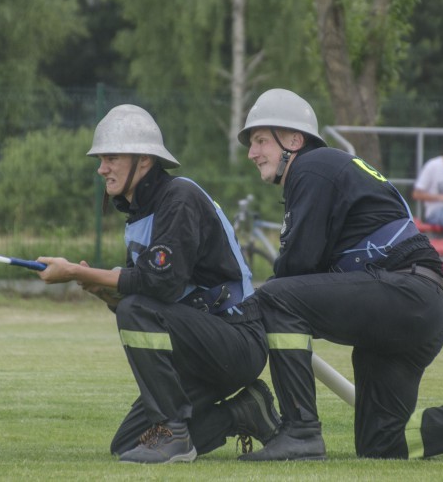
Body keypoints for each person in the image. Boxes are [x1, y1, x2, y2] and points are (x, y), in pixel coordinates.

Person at [236, 89, 443, 461]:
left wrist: (238, 314)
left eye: (261, 140)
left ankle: (300, 432)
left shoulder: (312, 168)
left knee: (274, 298)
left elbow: (295, 269)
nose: (252, 152)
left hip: (406, 293)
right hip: (419, 304)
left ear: (294, 140)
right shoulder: (330, 169)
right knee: (381, 446)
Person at [36, 104, 281, 464]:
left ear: (144, 161)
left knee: (136, 309)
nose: (102, 168)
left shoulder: (178, 198)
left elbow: (159, 285)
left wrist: (79, 273)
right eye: (101, 159)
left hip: (235, 340)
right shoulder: (139, 212)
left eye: (111, 158)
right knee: (128, 444)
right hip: (198, 347)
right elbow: (146, 292)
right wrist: (102, 289)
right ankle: (244, 412)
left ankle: (174, 432)